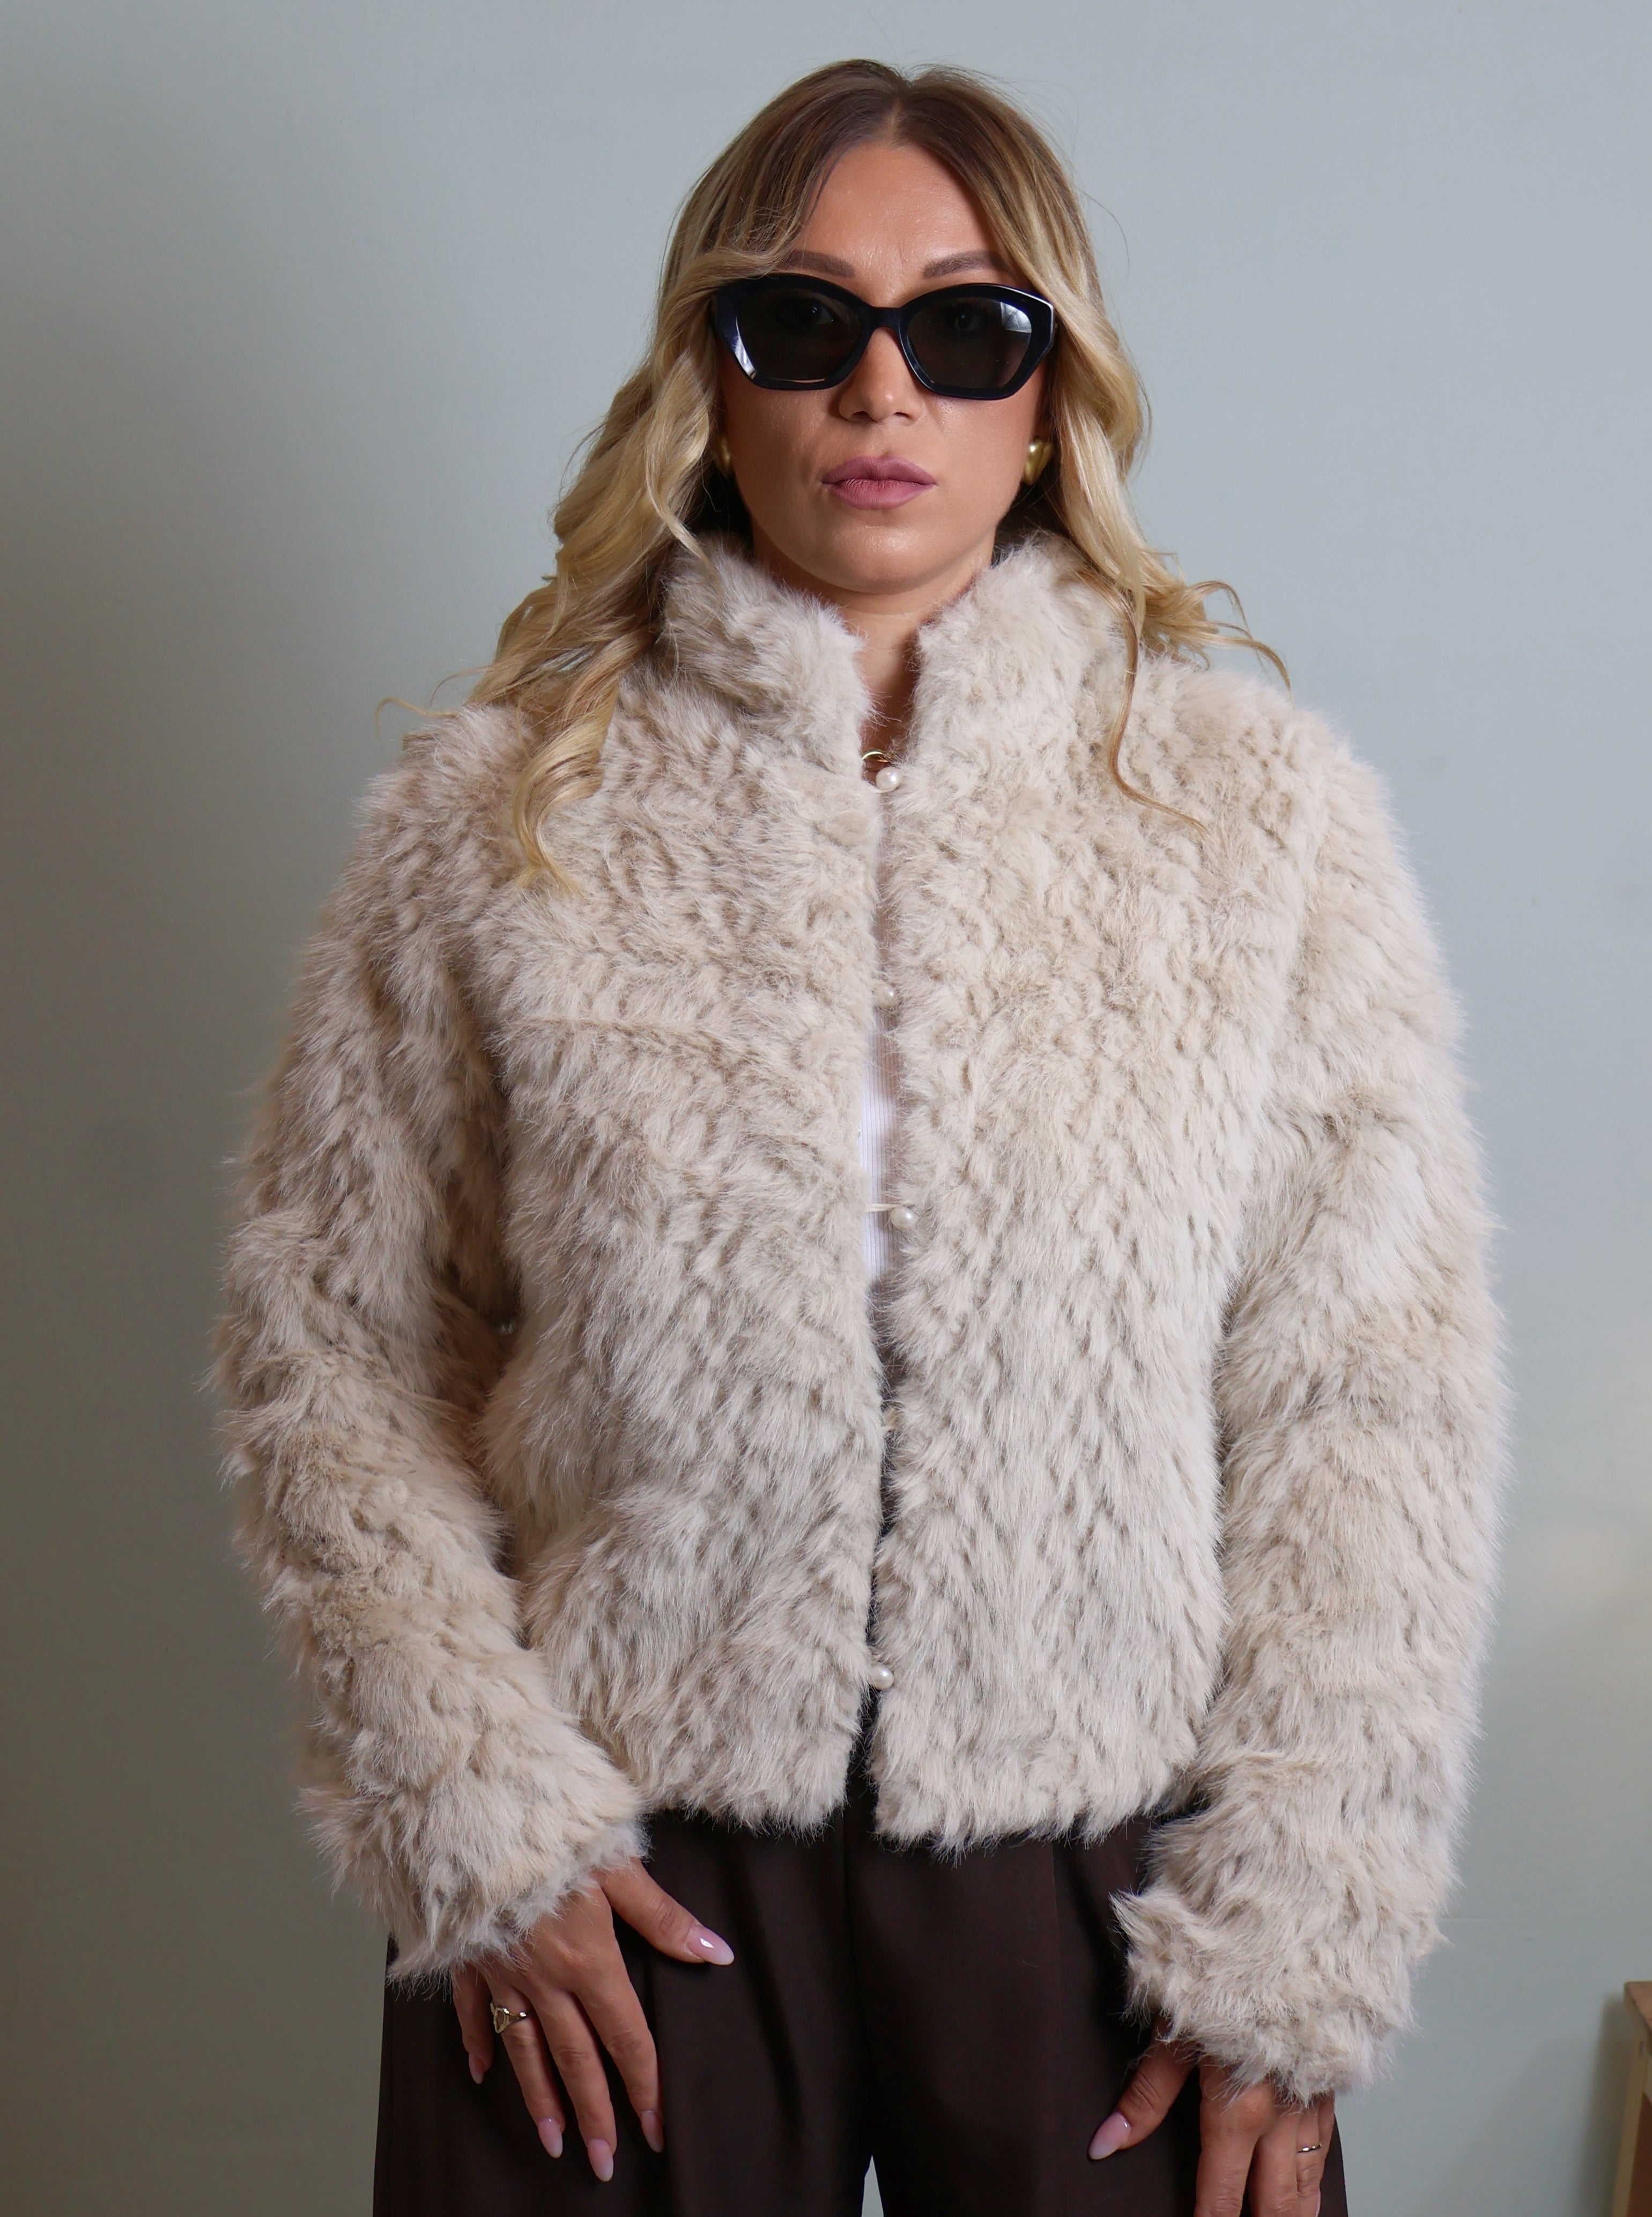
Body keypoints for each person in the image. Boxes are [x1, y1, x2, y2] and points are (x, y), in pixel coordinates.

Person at [216, 58, 1506, 2217]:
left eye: (968, 328)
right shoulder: (490, 821)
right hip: (627, 1841)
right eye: (802, 322)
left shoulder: (1255, 822)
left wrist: (1305, 1916)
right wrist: (479, 1819)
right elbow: (332, 1359)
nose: (881, 387)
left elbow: (1368, 1405)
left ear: (1049, 396)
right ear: (710, 383)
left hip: (1096, 1851)